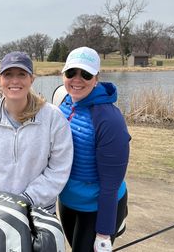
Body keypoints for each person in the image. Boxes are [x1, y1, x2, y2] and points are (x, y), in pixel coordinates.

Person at [0, 51, 73, 213]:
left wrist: (26, 199)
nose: (15, 81)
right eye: (8, 74)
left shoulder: (53, 117)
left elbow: (58, 169)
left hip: (40, 211)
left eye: (22, 74)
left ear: (32, 79)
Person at [57, 46, 131, 252]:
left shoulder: (110, 119)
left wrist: (104, 232)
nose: (77, 79)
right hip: (68, 199)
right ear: (63, 74)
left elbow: (111, 182)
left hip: (98, 206)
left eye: (86, 74)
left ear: (96, 78)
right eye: (71, 73)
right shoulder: (66, 102)